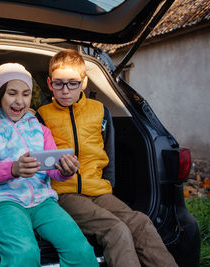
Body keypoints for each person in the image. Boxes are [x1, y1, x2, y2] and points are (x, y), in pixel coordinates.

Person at [36, 49, 178, 267]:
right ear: (49, 83)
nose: (65, 90)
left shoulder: (100, 111)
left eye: (72, 83)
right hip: (64, 193)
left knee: (140, 222)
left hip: (99, 191)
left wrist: (108, 186)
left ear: (83, 83)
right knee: (115, 229)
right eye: (59, 83)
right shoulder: (42, 115)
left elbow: (109, 155)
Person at [0, 63, 98, 267]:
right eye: (12, 93)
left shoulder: (40, 128)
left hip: (43, 201)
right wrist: (14, 169)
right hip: (4, 201)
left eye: (26, 94)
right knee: (24, 252)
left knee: (80, 249)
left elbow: (52, 170)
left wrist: (65, 171)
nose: (19, 101)